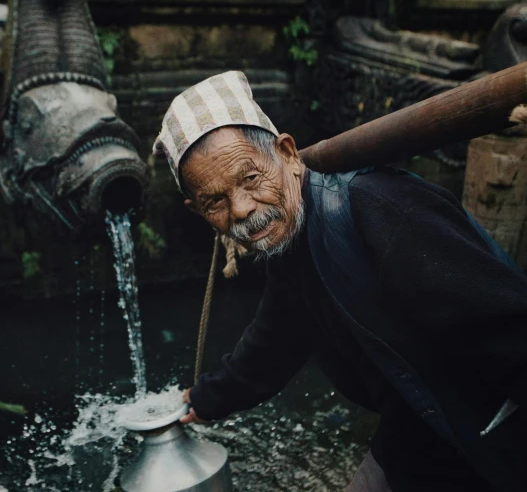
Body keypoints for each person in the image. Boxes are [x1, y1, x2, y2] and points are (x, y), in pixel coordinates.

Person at [152, 70, 527, 492]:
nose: (239, 209)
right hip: (413, 431)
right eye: (214, 201)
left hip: (485, 435)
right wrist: (203, 400)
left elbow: (509, 326)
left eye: (251, 179)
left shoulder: (380, 208)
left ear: (288, 154)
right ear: (195, 210)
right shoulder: (287, 239)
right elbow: (275, 342)